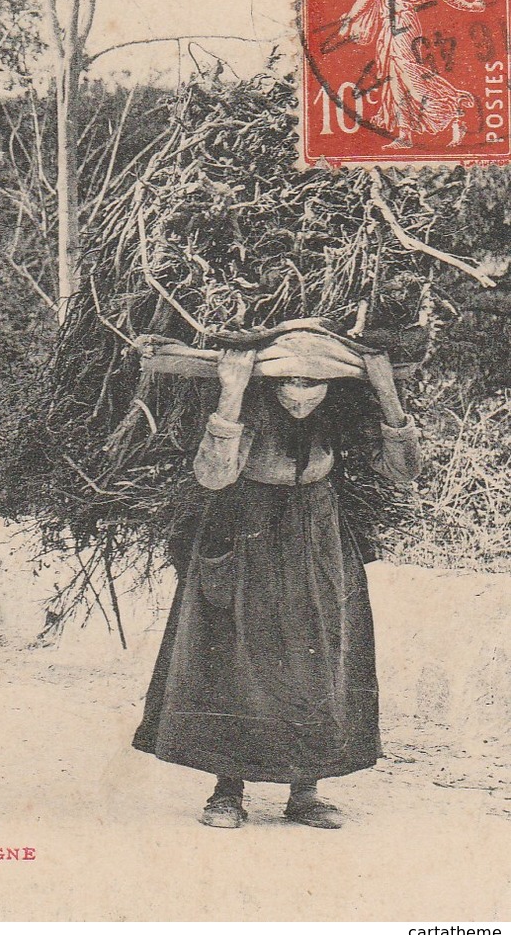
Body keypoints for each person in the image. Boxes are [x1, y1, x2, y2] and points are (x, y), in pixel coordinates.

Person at [132, 336, 422, 829]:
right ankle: (227, 790)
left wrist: (385, 390)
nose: (301, 395)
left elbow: (405, 470)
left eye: (314, 384)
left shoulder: (342, 417)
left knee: (316, 656)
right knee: (234, 655)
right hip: (244, 528)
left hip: (317, 535)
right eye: (289, 381)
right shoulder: (251, 409)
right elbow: (214, 477)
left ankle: (306, 789)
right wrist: (231, 391)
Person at [336, 0, 486, 149]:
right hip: (398, 24)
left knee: (408, 74)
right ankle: (405, 134)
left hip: (401, 25)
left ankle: (455, 107)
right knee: (396, 78)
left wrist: (349, 19)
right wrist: (471, 6)